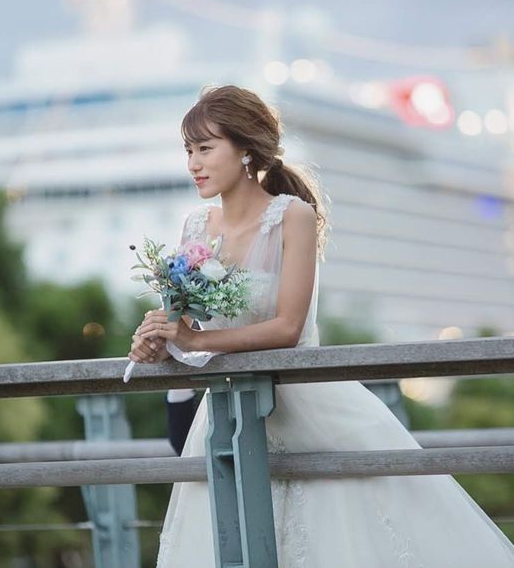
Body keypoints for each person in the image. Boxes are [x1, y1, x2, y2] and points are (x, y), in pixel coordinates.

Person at [127, 85, 514, 567]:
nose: (193, 164)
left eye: (205, 148)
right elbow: (185, 327)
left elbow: (287, 328)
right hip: (228, 411)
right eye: (188, 151)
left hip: (304, 405)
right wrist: (161, 342)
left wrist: (195, 339)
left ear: (245, 149)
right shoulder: (194, 226)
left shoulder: (293, 216)